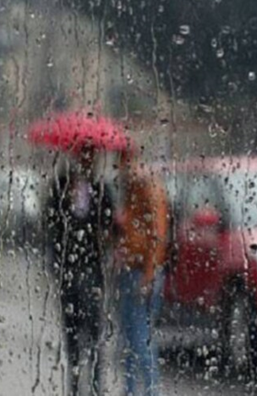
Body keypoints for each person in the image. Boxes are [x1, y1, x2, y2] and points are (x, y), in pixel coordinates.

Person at [43, 145, 116, 395]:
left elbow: (110, 224)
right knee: (72, 338)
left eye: (89, 156)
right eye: (81, 155)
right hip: (69, 271)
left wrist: (101, 234)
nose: (85, 161)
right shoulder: (62, 185)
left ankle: (95, 389)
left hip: (92, 270)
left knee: (94, 336)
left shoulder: (101, 188)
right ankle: (74, 389)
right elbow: (50, 221)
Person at [114, 149, 169, 396]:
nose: (121, 169)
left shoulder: (148, 188)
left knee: (140, 337)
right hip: (129, 270)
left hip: (141, 272)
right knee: (129, 338)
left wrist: (149, 274)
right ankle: (130, 391)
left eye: (124, 162)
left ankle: (151, 391)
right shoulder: (130, 190)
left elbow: (158, 234)